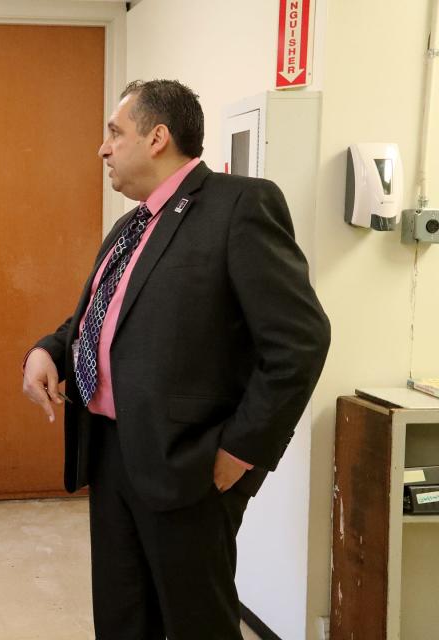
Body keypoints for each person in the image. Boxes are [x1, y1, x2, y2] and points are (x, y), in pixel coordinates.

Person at [21, 79, 330, 639]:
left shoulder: (240, 207)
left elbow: (299, 341)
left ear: (157, 137)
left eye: (115, 133)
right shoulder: (130, 225)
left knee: (195, 622)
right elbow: (100, 320)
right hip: (111, 450)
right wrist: (48, 349)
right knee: (122, 617)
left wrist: (242, 449)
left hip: (189, 462)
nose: (104, 147)